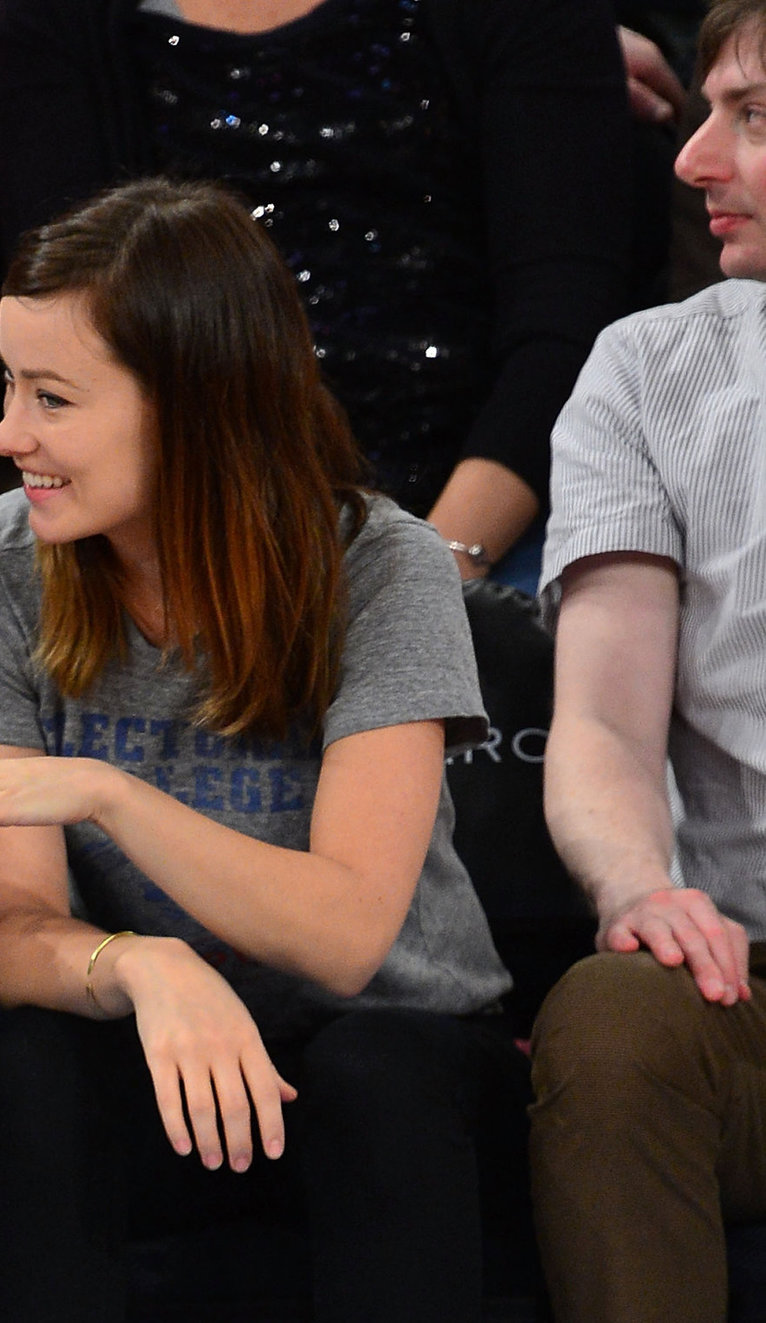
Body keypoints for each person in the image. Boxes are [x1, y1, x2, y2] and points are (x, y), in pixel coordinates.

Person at [0, 178, 524, 1322]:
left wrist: (107, 796)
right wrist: (144, 965)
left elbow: (346, 937)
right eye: (8, 383)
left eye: (52, 396)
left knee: (376, 1079)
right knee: (38, 1075)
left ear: (195, 404)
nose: (7, 434)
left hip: (399, 1048)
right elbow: (12, 936)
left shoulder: (378, 565)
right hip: (153, 1045)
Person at [0, 0, 633, 591]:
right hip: (175, 530)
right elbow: (61, 323)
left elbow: (564, 324)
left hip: (484, 510)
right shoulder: (61, 21)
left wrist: (429, 577)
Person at [529, 3, 766, 1318]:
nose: (689, 159)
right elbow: (605, 724)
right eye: (703, 107)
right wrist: (633, 879)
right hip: (746, 984)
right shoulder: (646, 368)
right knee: (611, 1018)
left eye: (753, 117)